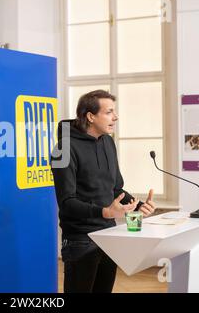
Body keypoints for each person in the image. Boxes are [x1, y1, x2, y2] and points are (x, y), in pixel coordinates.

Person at [51, 90, 156, 293]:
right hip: (80, 240)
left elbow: (115, 189)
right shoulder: (62, 150)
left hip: (109, 235)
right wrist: (105, 212)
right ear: (91, 116)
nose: (115, 117)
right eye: (109, 112)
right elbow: (66, 202)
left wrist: (140, 206)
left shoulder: (108, 141)